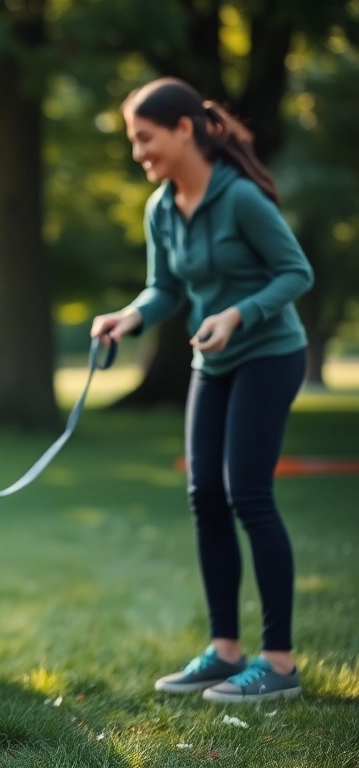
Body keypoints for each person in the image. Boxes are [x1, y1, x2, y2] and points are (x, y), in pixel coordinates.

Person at [91, 78, 314, 703]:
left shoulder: (239, 198)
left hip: (269, 353)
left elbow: (297, 272)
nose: (139, 152)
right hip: (210, 363)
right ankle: (224, 652)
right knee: (204, 497)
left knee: (248, 494)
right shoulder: (161, 207)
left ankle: (278, 662)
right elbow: (165, 288)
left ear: (184, 129)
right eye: (134, 141)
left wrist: (239, 314)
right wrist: (130, 317)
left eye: (146, 138)